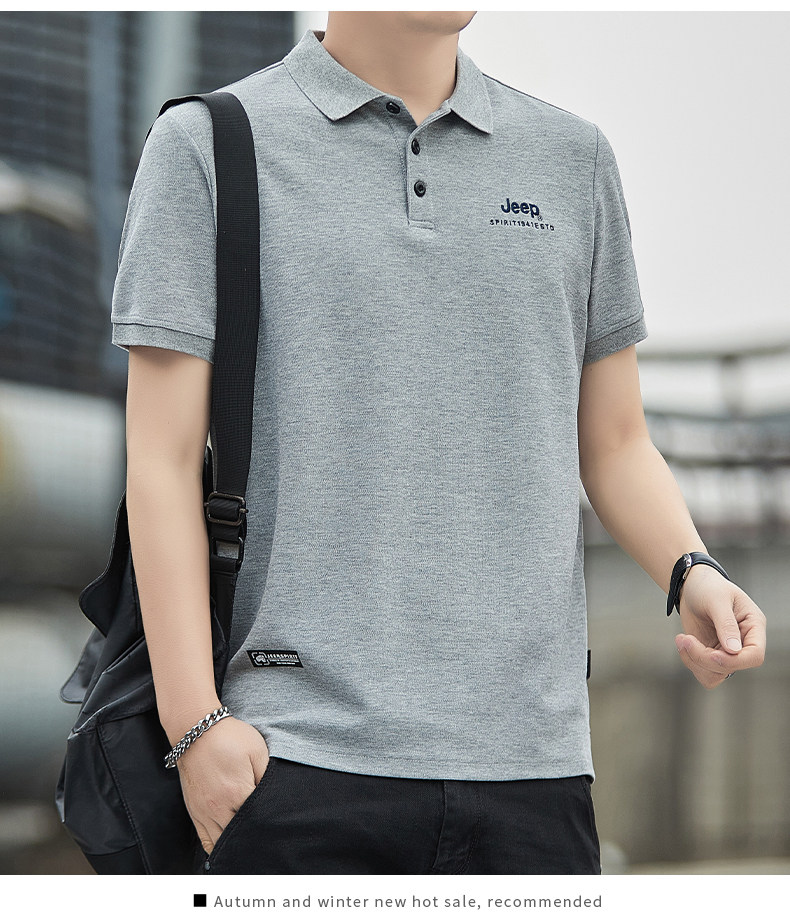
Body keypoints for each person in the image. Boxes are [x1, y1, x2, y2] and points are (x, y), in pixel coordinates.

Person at [113, 11, 767, 875]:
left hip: (533, 772)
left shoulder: (573, 160)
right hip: (293, 756)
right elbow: (158, 463)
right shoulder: (207, 147)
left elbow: (614, 442)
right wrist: (194, 727)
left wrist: (693, 570)